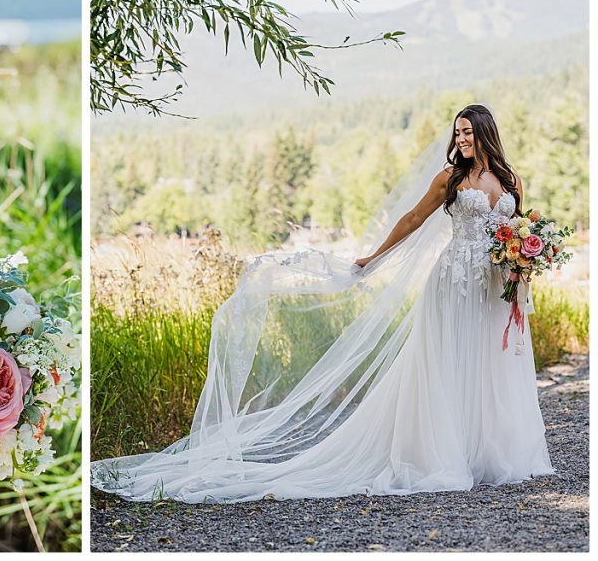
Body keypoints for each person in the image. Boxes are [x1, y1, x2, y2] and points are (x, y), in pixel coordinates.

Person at [92, 104, 553, 503]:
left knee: (488, 365)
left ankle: (488, 452)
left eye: (468, 131)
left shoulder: (508, 180)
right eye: (457, 132)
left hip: (494, 289)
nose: (461, 139)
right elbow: (413, 218)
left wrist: (525, 259)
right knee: (451, 364)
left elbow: (514, 232)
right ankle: (446, 454)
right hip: (452, 282)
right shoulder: (450, 178)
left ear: (485, 132)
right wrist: (374, 257)